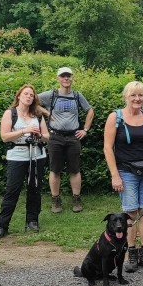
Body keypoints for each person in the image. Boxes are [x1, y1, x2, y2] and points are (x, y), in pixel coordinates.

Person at [103, 81, 143, 273]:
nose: (137, 99)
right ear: (126, 97)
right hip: (126, 172)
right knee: (130, 214)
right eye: (133, 96)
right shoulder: (116, 118)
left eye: (140, 96)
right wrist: (115, 175)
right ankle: (131, 253)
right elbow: (108, 148)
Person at [0, 85, 50, 239]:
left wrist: (39, 135)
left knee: (35, 189)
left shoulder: (37, 115)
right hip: (17, 156)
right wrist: (24, 131)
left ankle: (32, 221)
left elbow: (47, 136)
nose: (29, 97)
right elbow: (5, 136)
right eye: (26, 94)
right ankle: (1, 226)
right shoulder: (10, 113)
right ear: (19, 96)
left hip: (37, 155)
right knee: (12, 190)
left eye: (31, 95)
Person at [39, 67, 94, 214]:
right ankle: (55, 200)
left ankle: (76, 199)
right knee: (54, 170)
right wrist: (46, 111)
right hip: (55, 136)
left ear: (72, 78)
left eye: (68, 76)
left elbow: (90, 110)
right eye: (63, 76)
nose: (66, 79)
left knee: (74, 170)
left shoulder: (77, 95)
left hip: (73, 137)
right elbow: (32, 101)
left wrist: (85, 129)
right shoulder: (51, 95)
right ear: (58, 78)